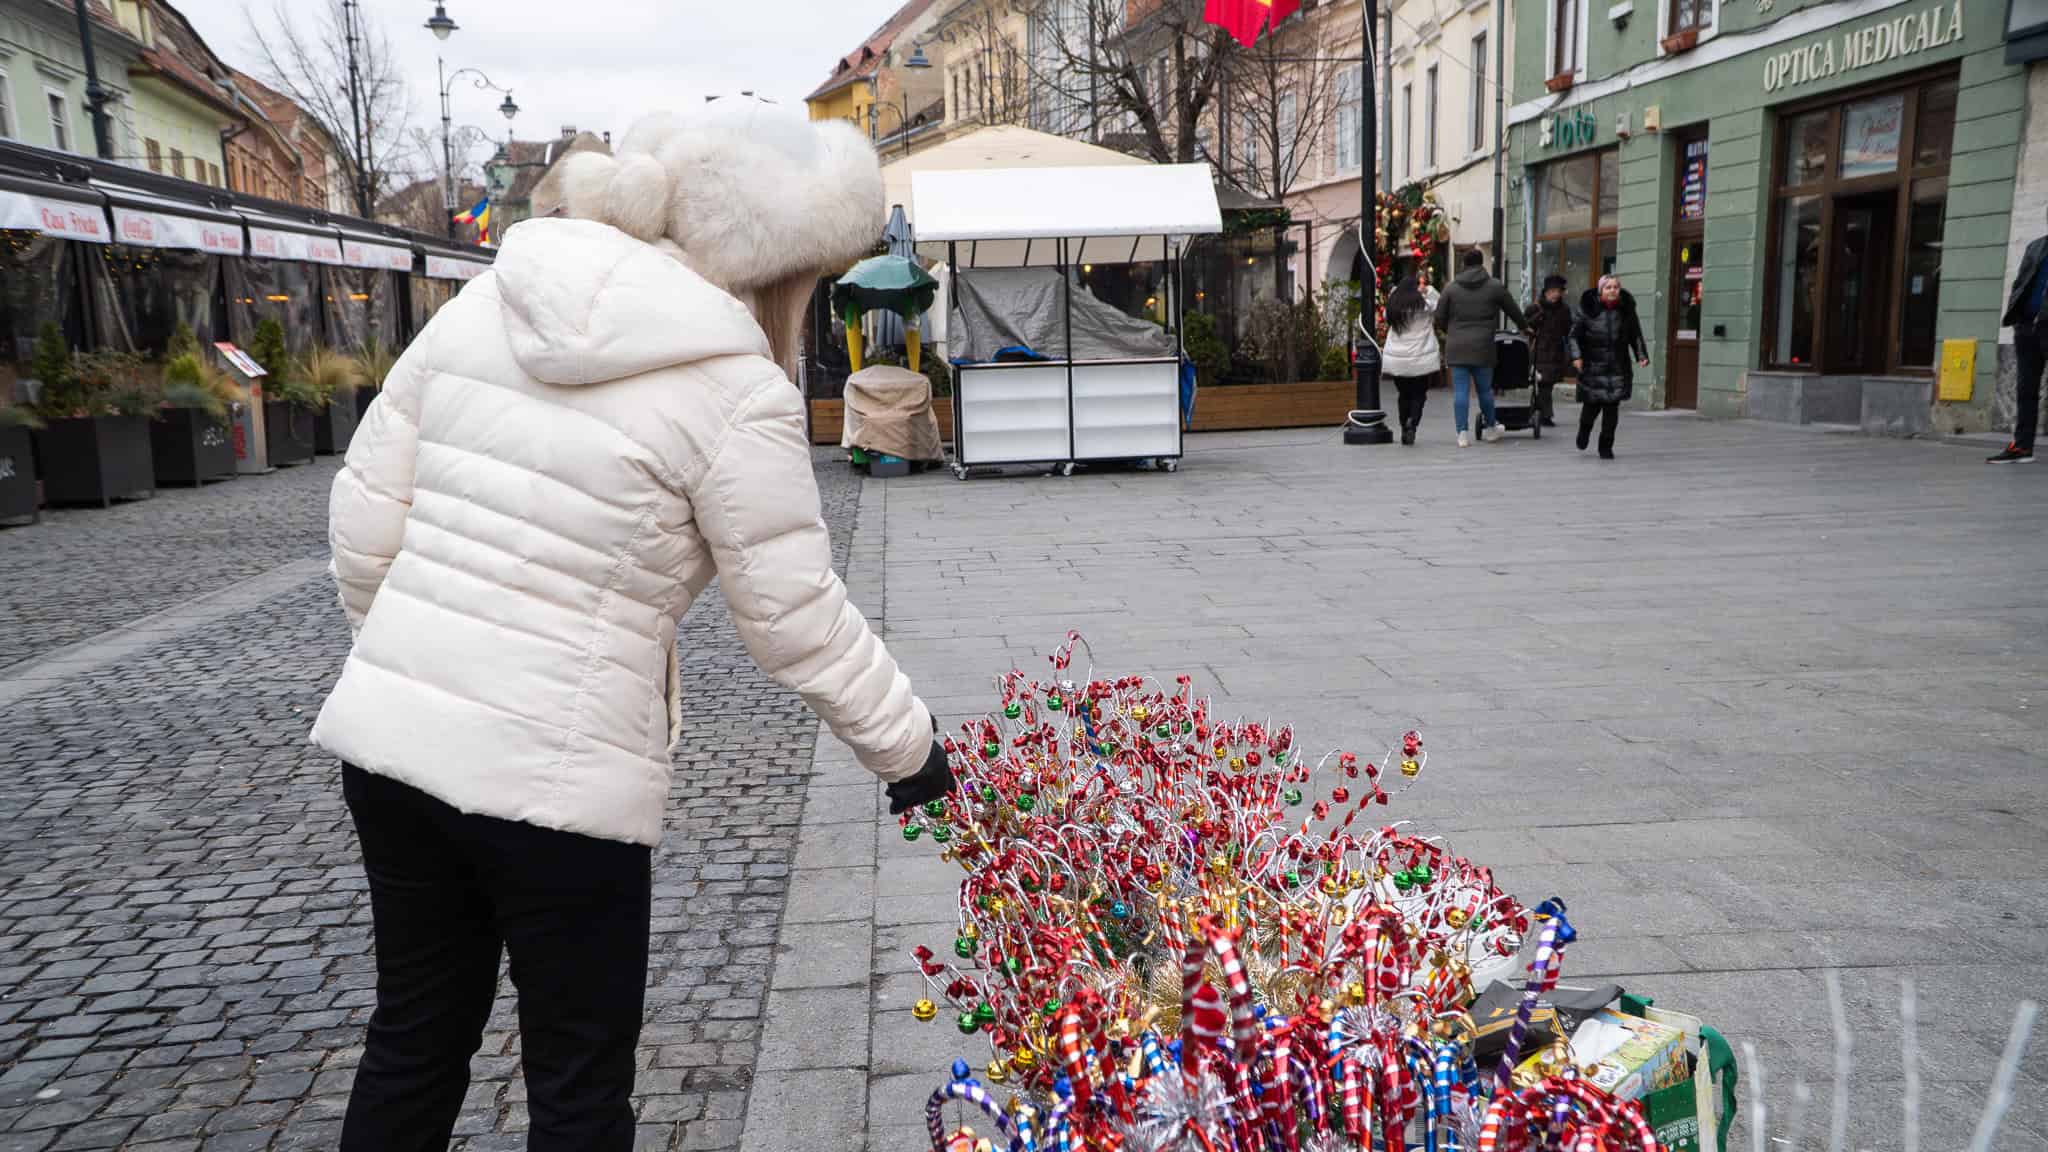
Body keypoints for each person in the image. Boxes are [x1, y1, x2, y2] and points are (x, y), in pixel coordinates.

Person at [312, 102, 957, 1152]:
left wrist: (413, 664)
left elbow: (361, 517)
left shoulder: (488, 303)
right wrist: (912, 750)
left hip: (391, 754)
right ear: (781, 264)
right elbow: (792, 616)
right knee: (575, 1085)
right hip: (557, 788)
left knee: (414, 1042)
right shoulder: (735, 384)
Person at [1435, 248, 1527, 447]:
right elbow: (1513, 310)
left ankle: (1462, 434)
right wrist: (1524, 326)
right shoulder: (1494, 286)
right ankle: (1491, 429)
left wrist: (1451, 331)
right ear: (1481, 263)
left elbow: (1439, 317)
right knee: (1485, 390)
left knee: (1460, 391)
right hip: (1483, 345)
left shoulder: (1451, 288)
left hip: (1457, 345)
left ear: (1464, 265)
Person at [1569, 274, 1649, 459]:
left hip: (1618, 367)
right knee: (1591, 408)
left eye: (1616, 287)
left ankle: (1606, 446)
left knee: (1611, 411)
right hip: (1593, 367)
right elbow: (1573, 336)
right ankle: (1584, 432)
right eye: (1608, 287)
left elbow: (1635, 334)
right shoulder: (1587, 310)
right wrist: (1576, 356)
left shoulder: (1626, 310)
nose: (1613, 290)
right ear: (1600, 291)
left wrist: (1641, 355)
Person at [1989, 212, 2047, 463]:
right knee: (2026, 389)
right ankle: (2022, 447)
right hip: (2027, 328)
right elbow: (2021, 282)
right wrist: (2017, 315)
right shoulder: (2037, 246)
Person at [1379, 275, 1441, 445]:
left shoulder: (1393, 307)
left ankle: (1403, 426)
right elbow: (1439, 304)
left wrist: (1394, 293)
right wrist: (1428, 290)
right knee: (1419, 394)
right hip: (1421, 359)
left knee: (1404, 394)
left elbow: (1385, 315)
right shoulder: (1424, 306)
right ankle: (1412, 423)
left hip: (1398, 360)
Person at [1525, 274, 1574, 428]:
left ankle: (1537, 412)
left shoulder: (1564, 309)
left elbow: (1568, 329)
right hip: (1539, 351)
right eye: (1553, 291)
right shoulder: (1535, 307)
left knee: (1548, 384)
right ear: (1546, 291)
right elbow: (1526, 327)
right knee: (1543, 384)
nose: (1556, 294)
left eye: (1559, 291)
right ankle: (1544, 415)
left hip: (1556, 352)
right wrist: (1538, 317)